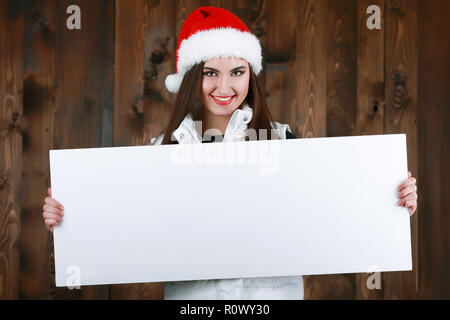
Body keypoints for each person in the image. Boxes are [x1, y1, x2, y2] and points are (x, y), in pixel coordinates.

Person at [42, 7, 418, 300]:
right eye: (211, 73)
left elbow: (334, 208)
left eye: (237, 72)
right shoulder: (162, 153)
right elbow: (123, 220)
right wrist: (70, 216)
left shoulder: (283, 143)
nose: (225, 86)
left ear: (250, 76)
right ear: (192, 77)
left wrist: (390, 200)